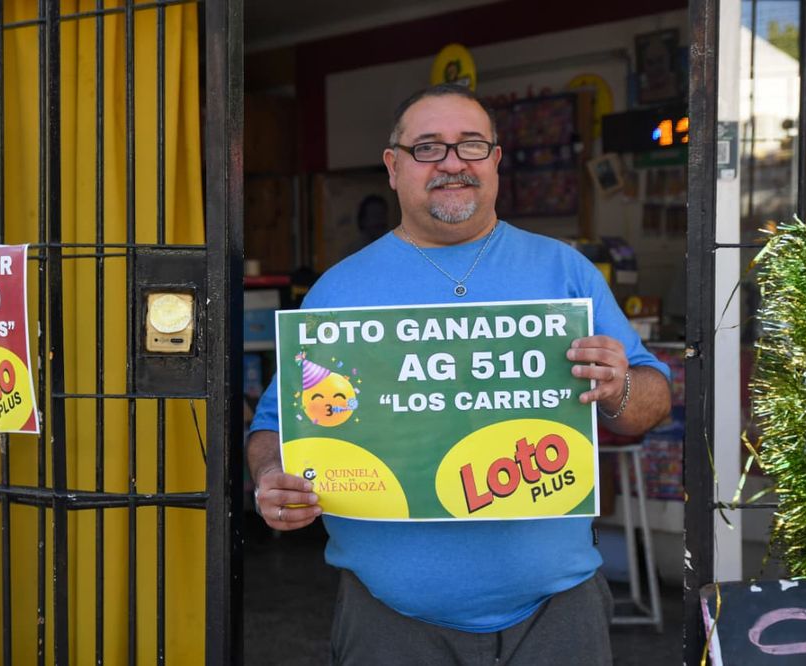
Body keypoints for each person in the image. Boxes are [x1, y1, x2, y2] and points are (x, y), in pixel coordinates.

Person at [247, 83, 671, 665]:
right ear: (393, 167)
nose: (452, 163)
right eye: (427, 147)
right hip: (390, 621)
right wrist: (273, 474)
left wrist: (619, 387)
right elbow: (275, 425)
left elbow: (653, 400)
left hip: (558, 613)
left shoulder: (565, 271)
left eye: (471, 145)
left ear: (495, 161)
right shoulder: (338, 291)